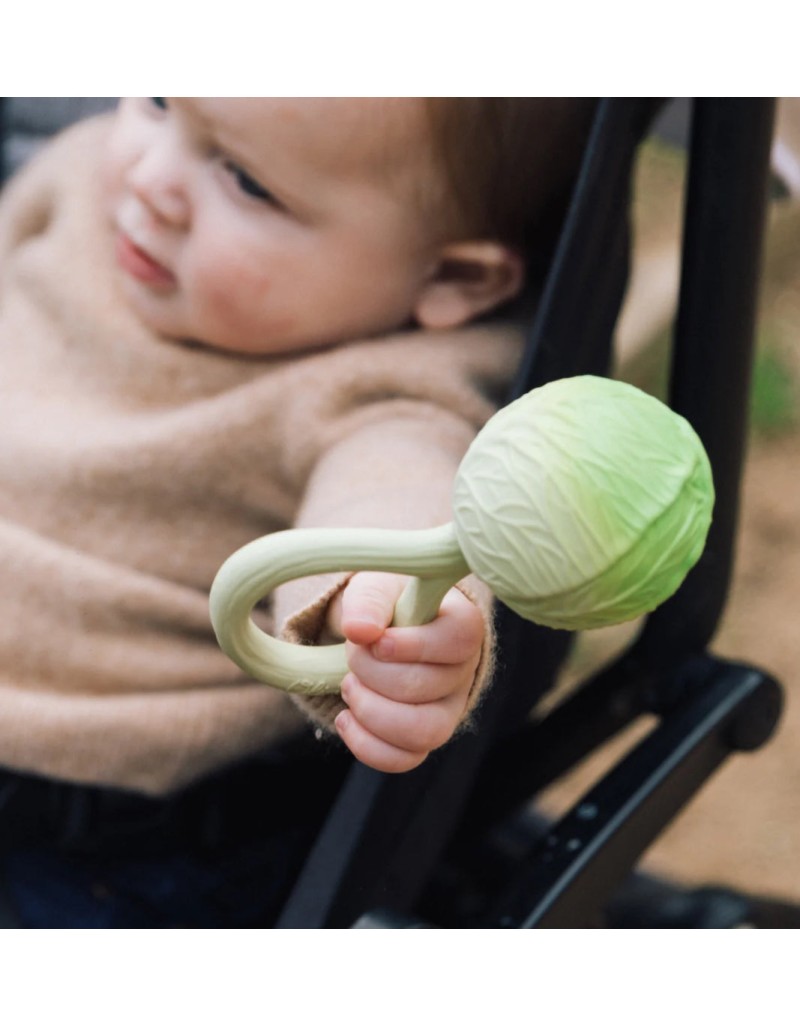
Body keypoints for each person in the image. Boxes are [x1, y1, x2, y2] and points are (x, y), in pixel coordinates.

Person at [0, 97, 595, 926]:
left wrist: (382, 607)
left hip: (95, 827)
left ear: (450, 278)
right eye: (160, 99)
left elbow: (386, 502)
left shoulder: (379, 393)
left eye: (245, 181)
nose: (153, 177)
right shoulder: (86, 180)